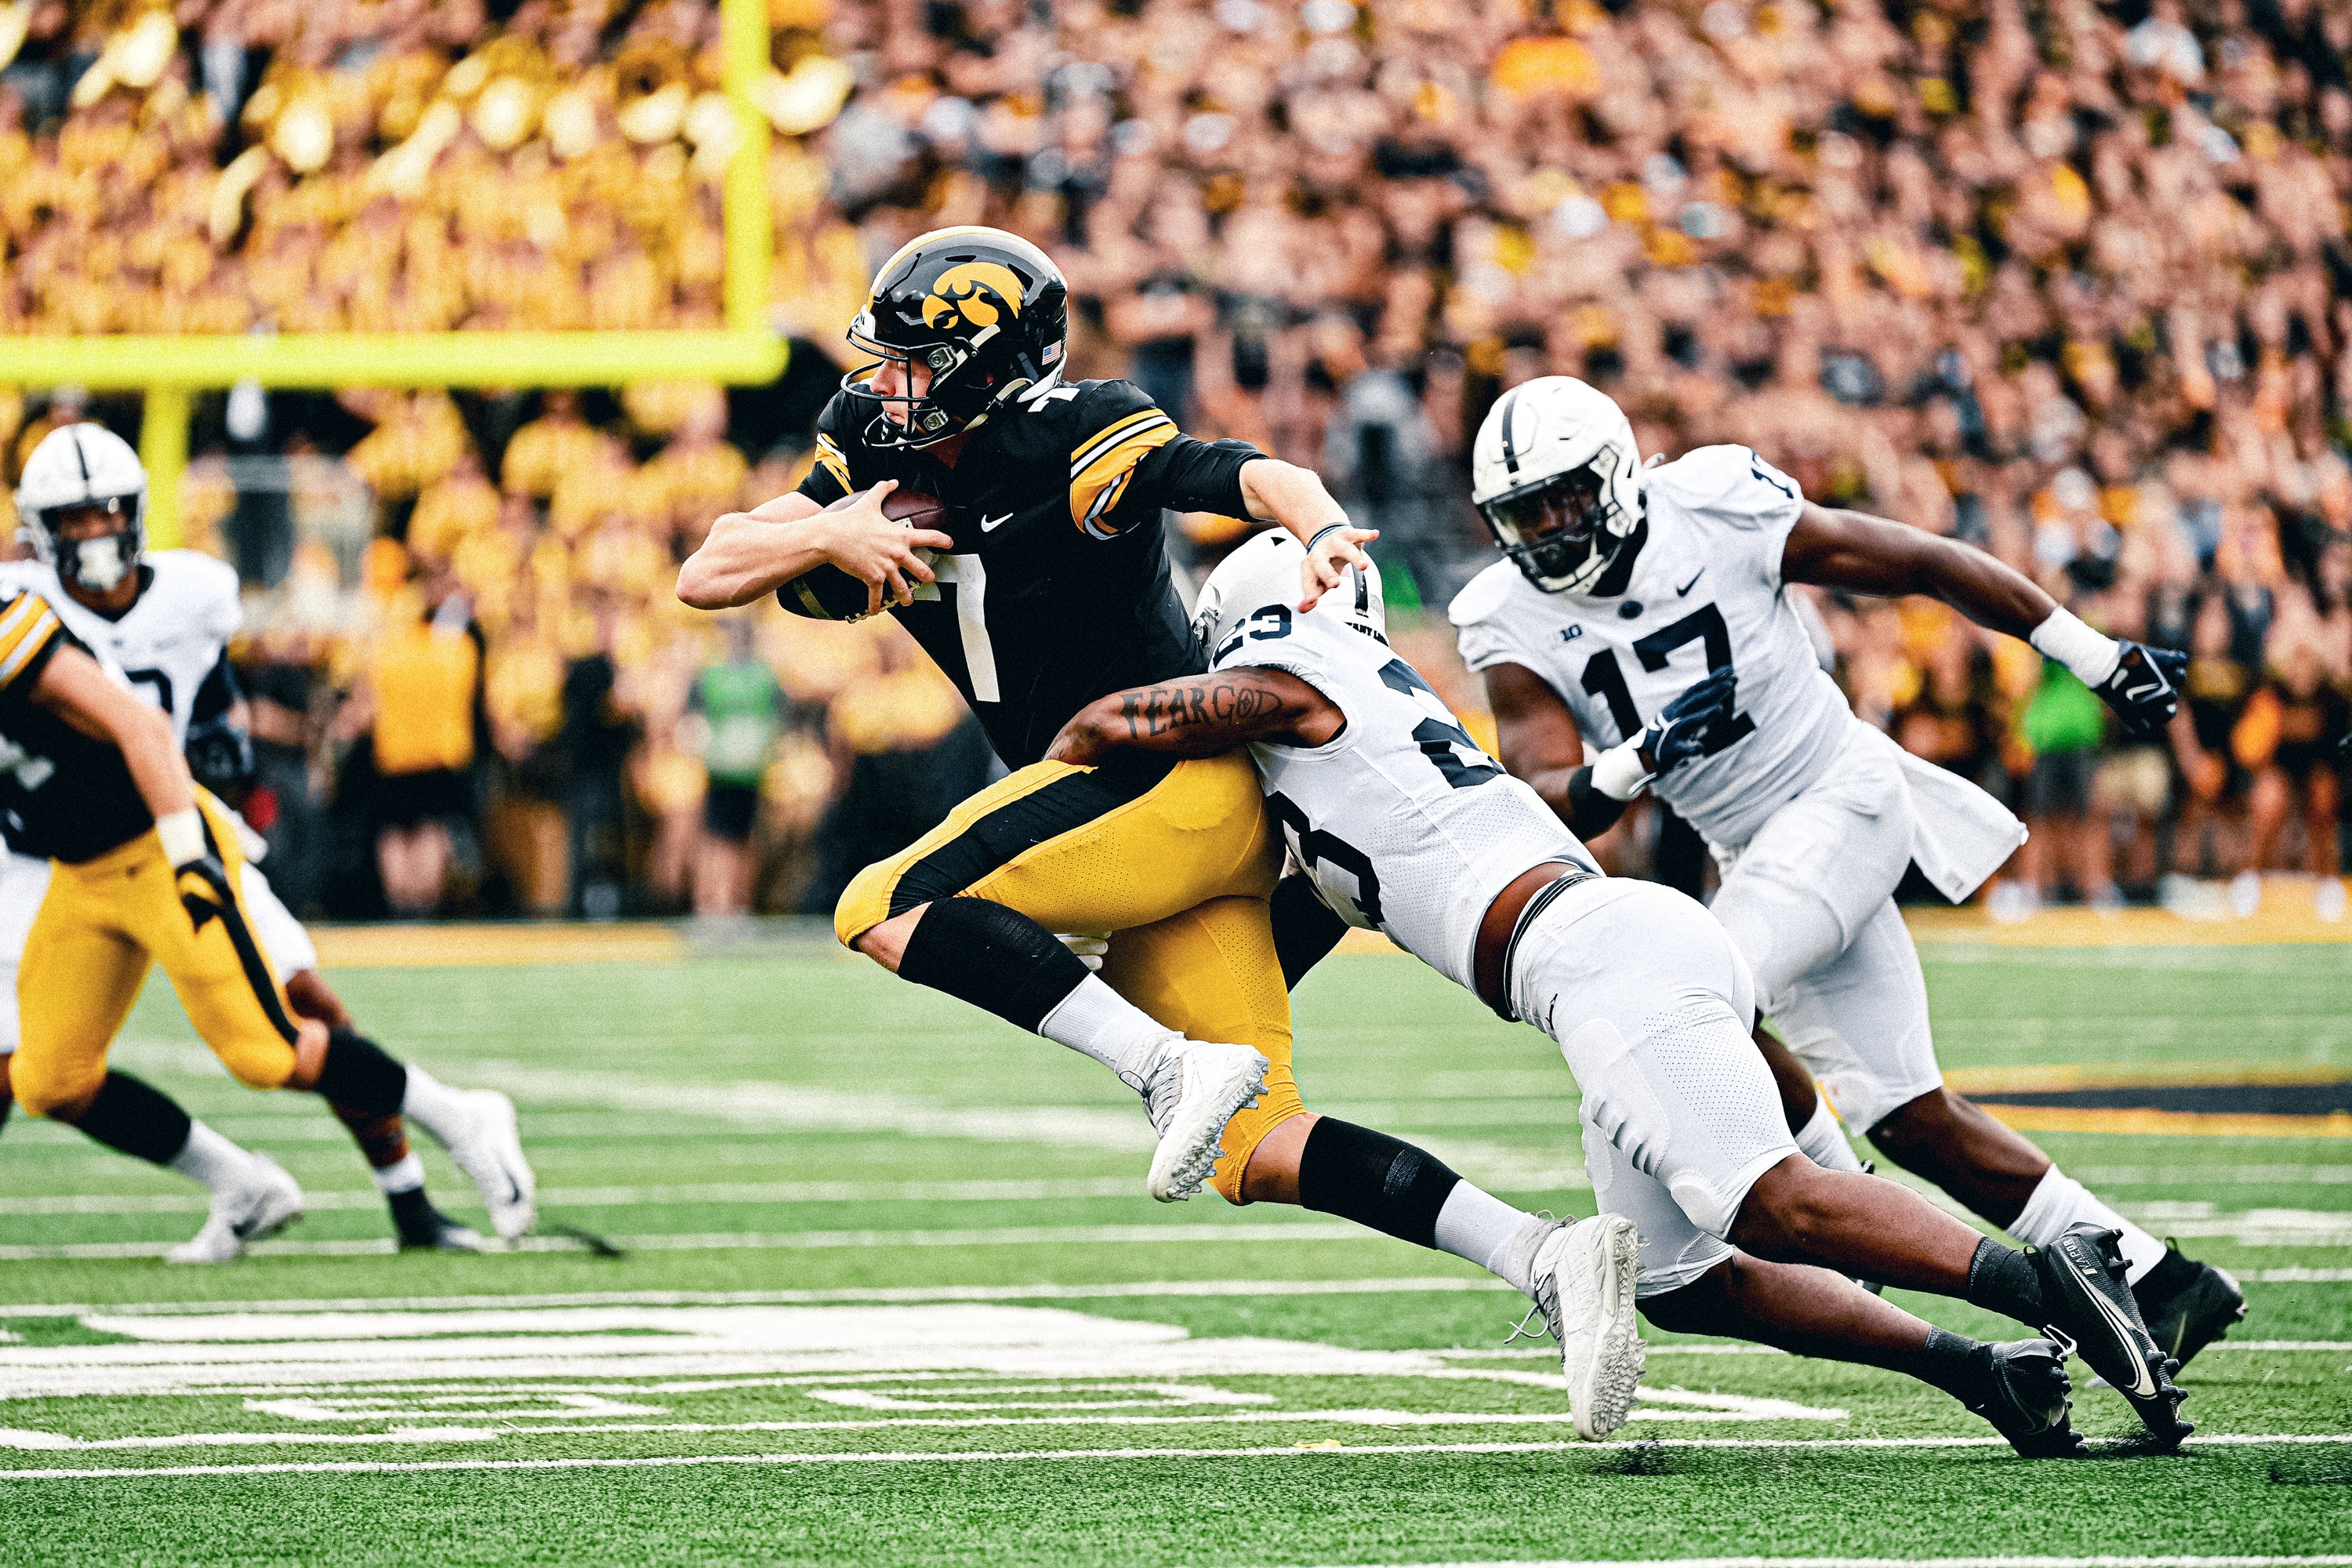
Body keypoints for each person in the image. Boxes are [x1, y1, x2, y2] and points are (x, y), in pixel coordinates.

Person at [677, 228, 1635, 1412]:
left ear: (994, 367)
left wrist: (1322, 528)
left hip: (1172, 781)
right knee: (1252, 1145)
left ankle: (1171, 1065)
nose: (892, 381)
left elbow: (1244, 475)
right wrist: (829, 530)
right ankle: (1543, 1253)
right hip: (1155, 827)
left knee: (884, 903)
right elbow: (709, 567)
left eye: (920, 359)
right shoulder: (873, 446)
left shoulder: (1079, 435)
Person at [1044, 528, 2187, 1457]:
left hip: (1597, 958)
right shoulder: (1339, 756)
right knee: (1682, 1280)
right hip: (1610, 955)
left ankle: (2053, 1277)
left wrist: (1043, 809)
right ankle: (1985, 1372)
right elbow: (1276, 957)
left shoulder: (1304, 672)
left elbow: (1109, 724)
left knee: (1771, 1204)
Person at [1446, 376, 2242, 1374]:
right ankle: (2162, 1279)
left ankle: (1843, 1200)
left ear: (1614, 475)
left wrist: (2091, 653)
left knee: (1685, 994)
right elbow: (1546, 788)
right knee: (1910, 1113)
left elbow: (1921, 560)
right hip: (1755, 850)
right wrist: (1635, 759)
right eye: (1524, 513)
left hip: (1841, 795)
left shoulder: (1716, 506)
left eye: (1563, 500)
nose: (1548, 531)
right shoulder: (1507, 612)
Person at [0, 425, 533, 1259]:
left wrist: (192, 850)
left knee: (268, 1047)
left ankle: (455, 1119)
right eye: (73, 519)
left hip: (160, 840)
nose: (94, 534)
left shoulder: (15, 614)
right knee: (47, 1078)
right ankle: (243, 1185)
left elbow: (144, 726)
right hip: (71, 866)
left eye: (106, 513)